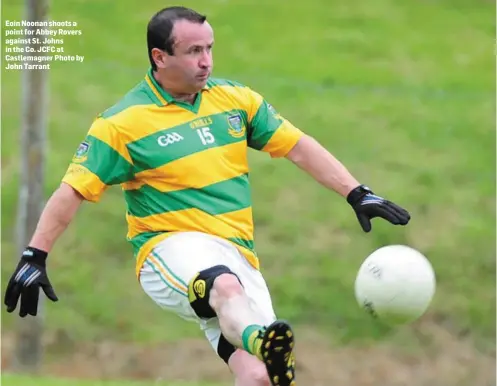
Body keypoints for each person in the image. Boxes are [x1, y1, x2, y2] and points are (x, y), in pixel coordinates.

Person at [3, 6, 410, 386]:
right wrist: (34, 255)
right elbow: (72, 190)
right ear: (160, 57)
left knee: (259, 377)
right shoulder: (121, 124)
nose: (206, 61)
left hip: (238, 253)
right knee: (226, 288)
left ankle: (256, 344)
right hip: (169, 249)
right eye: (194, 50)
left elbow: (297, 145)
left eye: (209, 48)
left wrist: (356, 192)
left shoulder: (236, 101)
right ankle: (258, 337)